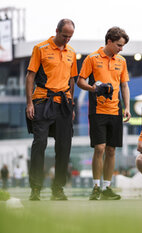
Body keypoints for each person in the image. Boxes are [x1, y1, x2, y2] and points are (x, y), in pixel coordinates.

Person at [77, 27, 131, 200]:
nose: (121, 49)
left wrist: (127, 107)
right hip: (98, 110)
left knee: (111, 150)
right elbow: (80, 81)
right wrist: (92, 88)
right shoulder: (92, 58)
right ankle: (95, 187)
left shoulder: (121, 61)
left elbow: (124, 85)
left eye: (122, 46)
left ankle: (107, 189)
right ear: (109, 41)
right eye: (119, 45)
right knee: (99, 148)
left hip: (115, 110)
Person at [26, 19, 77, 201]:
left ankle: (58, 189)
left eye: (70, 36)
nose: (67, 39)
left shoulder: (71, 52)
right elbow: (30, 76)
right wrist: (30, 103)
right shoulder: (40, 48)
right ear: (56, 31)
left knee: (64, 146)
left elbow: (72, 80)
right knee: (40, 144)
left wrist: (70, 105)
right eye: (64, 35)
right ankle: (36, 189)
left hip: (63, 104)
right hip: (42, 101)